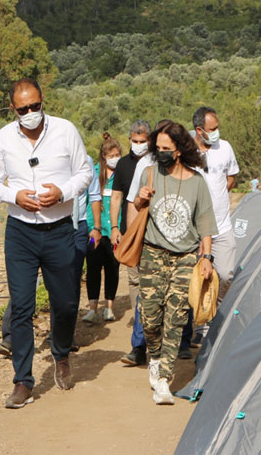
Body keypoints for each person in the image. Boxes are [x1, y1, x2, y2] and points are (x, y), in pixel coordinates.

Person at [0, 78, 92, 410]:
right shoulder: (3, 138)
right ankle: (23, 381)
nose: (31, 113)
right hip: (20, 233)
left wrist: (63, 192)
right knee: (21, 306)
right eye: (23, 109)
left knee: (65, 303)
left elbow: (85, 172)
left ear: (43, 101)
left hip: (59, 229)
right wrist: (13, 195)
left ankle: (60, 354)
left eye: (35, 106)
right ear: (12, 108)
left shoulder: (65, 131)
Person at [133, 121, 216, 405]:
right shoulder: (150, 173)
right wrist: (140, 199)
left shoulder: (197, 182)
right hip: (153, 254)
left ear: (179, 150)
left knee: (177, 317)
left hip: (185, 257)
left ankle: (164, 380)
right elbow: (136, 206)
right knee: (151, 318)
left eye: (166, 149)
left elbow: (205, 224)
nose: (161, 153)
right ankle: (155, 356)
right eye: (157, 149)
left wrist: (206, 258)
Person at [186, 106, 239, 351]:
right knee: (199, 277)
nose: (217, 133)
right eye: (212, 129)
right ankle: (200, 327)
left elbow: (231, 177)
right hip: (195, 229)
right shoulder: (186, 150)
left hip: (222, 225)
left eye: (217, 128)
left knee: (226, 274)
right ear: (199, 130)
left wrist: (218, 197)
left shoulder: (225, 148)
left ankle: (215, 313)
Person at [110, 120, 151, 367]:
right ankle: (139, 345)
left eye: (142, 141)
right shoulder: (124, 165)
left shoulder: (157, 164)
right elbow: (116, 197)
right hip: (130, 235)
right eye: (134, 141)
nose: (138, 145)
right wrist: (115, 227)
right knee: (135, 282)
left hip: (155, 237)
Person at [83, 134, 121, 324]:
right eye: (112, 154)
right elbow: (90, 202)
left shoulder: (121, 175)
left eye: (118, 154)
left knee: (112, 268)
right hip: (94, 231)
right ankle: (92, 309)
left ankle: (109, 308)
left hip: (114, 232)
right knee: (93, 268)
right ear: (104, 155)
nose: (116, 158)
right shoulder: (94, 173)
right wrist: (92, 227)